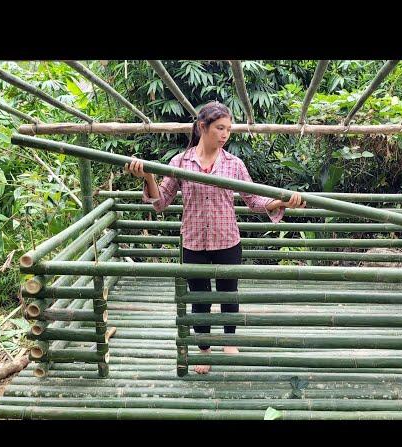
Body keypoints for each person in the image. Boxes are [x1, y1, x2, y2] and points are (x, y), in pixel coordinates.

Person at [125, 101, 305, 374]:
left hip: (227, 239)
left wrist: (283, 202)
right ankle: (205, 349)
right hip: (194, 241)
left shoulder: (234, 164)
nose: (225, 134)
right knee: (199, 297)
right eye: (220, 128)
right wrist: (148, 176)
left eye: (229, 129)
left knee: (228, 293)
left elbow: (254, 201)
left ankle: (228, 340)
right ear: (202, 127)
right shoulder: (180, 162)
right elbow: (160, 202)